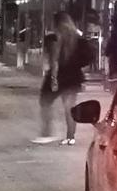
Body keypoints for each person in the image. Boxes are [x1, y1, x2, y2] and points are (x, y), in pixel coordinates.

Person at [34, 12, 93, 146]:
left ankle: (47, 133)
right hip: (73, 77)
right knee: (70, 108)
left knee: (45, 102)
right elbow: (85, 59)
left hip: (59, 76)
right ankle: (70, 137)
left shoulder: (53, 38)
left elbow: (54, 62)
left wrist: (54, 80)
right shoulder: (78, 38)